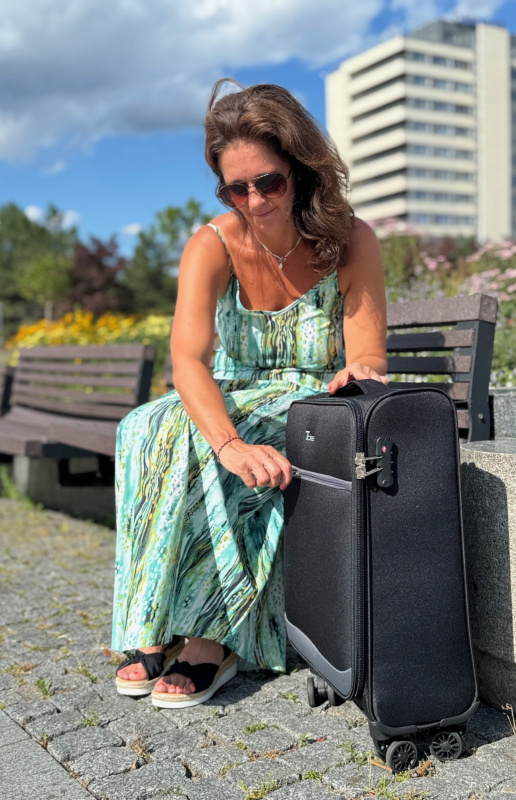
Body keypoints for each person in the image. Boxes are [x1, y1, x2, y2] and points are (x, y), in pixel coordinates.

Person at [113, 79, 388, 709]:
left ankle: (211, 635)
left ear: (302, 170)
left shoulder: (351, 241)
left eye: (269, 182)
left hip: (310, 400)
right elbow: (188, 360)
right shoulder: (212, 244)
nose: (255, 201)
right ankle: (154, 618)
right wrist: (229, 443)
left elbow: (369, 355)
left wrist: (358, 372)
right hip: (231, 395)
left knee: (217, 438)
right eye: (236, 188)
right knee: (146, 426)